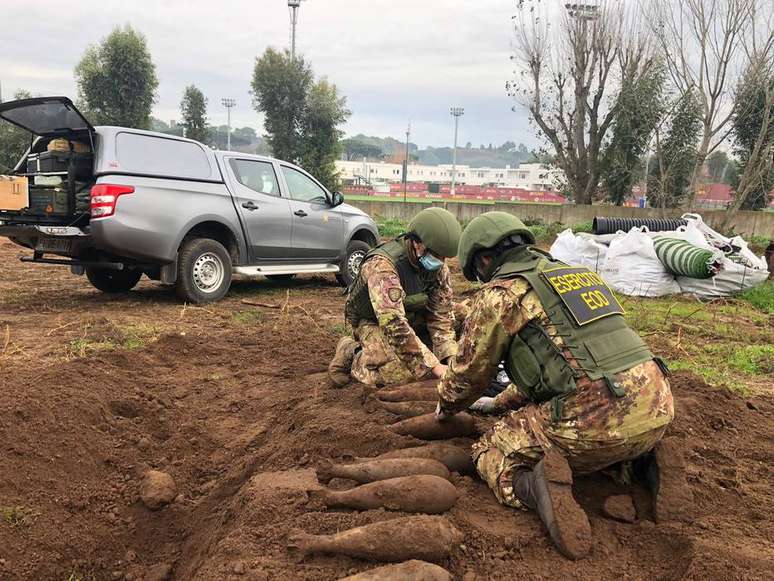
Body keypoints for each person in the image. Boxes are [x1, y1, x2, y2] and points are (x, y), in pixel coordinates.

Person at [435, 211, 676, 559]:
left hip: (592, 420)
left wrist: (445, 403)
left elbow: (469, 375)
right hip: (658, 405)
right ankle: (645, 462)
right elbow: (570, 362)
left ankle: (533, 487)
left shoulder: (501, 294)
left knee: (490, 450)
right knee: (607, 426)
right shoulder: (579, 276)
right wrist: (501, 401)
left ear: (485, 258)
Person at [328, 207, 462, 388]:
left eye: (444, 257)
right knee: (399, 375)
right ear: (416, 243)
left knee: (468, 316)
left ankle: (425, 350)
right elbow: (394, 324)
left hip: (410, 314)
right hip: (374, 321)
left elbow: (442, 315)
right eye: (436, 255)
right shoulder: (382, 266)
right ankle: (353, 353)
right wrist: (436, 368)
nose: (441, 262)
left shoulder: (437, 268)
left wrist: (450, 357)